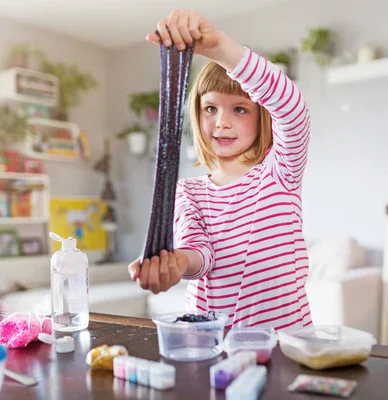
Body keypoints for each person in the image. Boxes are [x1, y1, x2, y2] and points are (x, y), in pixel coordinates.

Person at [129, 10, 312, 330]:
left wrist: (220, 50)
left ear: (262, 118)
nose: (222, 122)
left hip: (285, 342)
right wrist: (177, 263)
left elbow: (293, 110)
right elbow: (200, 253)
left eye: (239, 109)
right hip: (212, 341)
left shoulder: (281, 171)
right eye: (210, 108)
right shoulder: (189, 191)